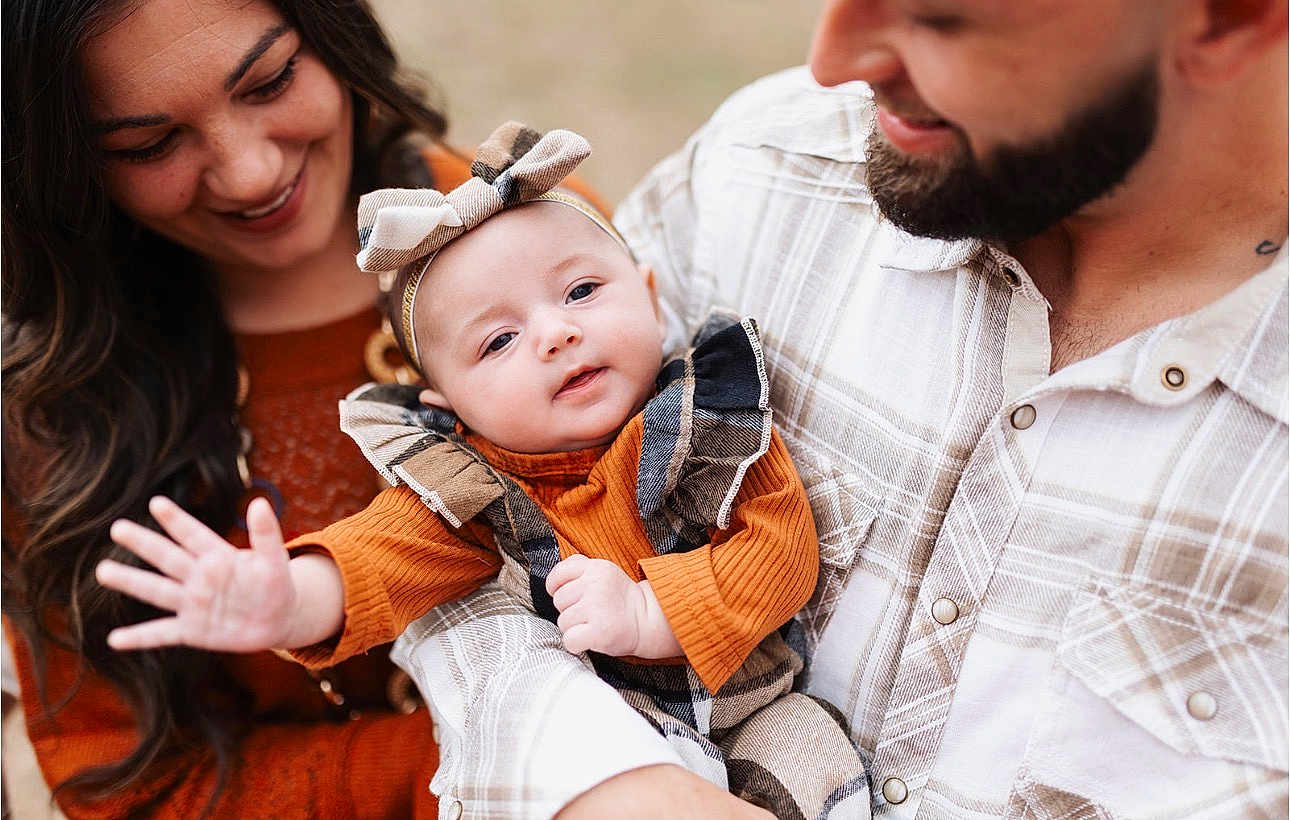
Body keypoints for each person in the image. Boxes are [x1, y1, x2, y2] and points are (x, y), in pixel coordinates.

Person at [384, 0, 1289, 817]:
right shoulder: (766, 168)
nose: (834, 60)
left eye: (940, 17)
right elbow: (471, 517)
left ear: (1227, 20)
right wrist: (610, 782)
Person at [97, 122, 872, 819]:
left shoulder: (714, 416)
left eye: (581, 291)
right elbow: (378, 561)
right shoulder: (472, 486)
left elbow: (780, 550)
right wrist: (287, 600)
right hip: (602, 751)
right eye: (497, 342)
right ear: (448, 401)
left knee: (815, 753)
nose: (555, 334)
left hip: (759, 701)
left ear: (647, 296)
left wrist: (647, 616)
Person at [0, 0, 620, 815]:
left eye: (270, 80)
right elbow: (139, 792)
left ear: (334, 34)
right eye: (148, 144)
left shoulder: (539, 230)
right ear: (68, 163)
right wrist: (536, 762)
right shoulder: (50, 413)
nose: (250, 172)